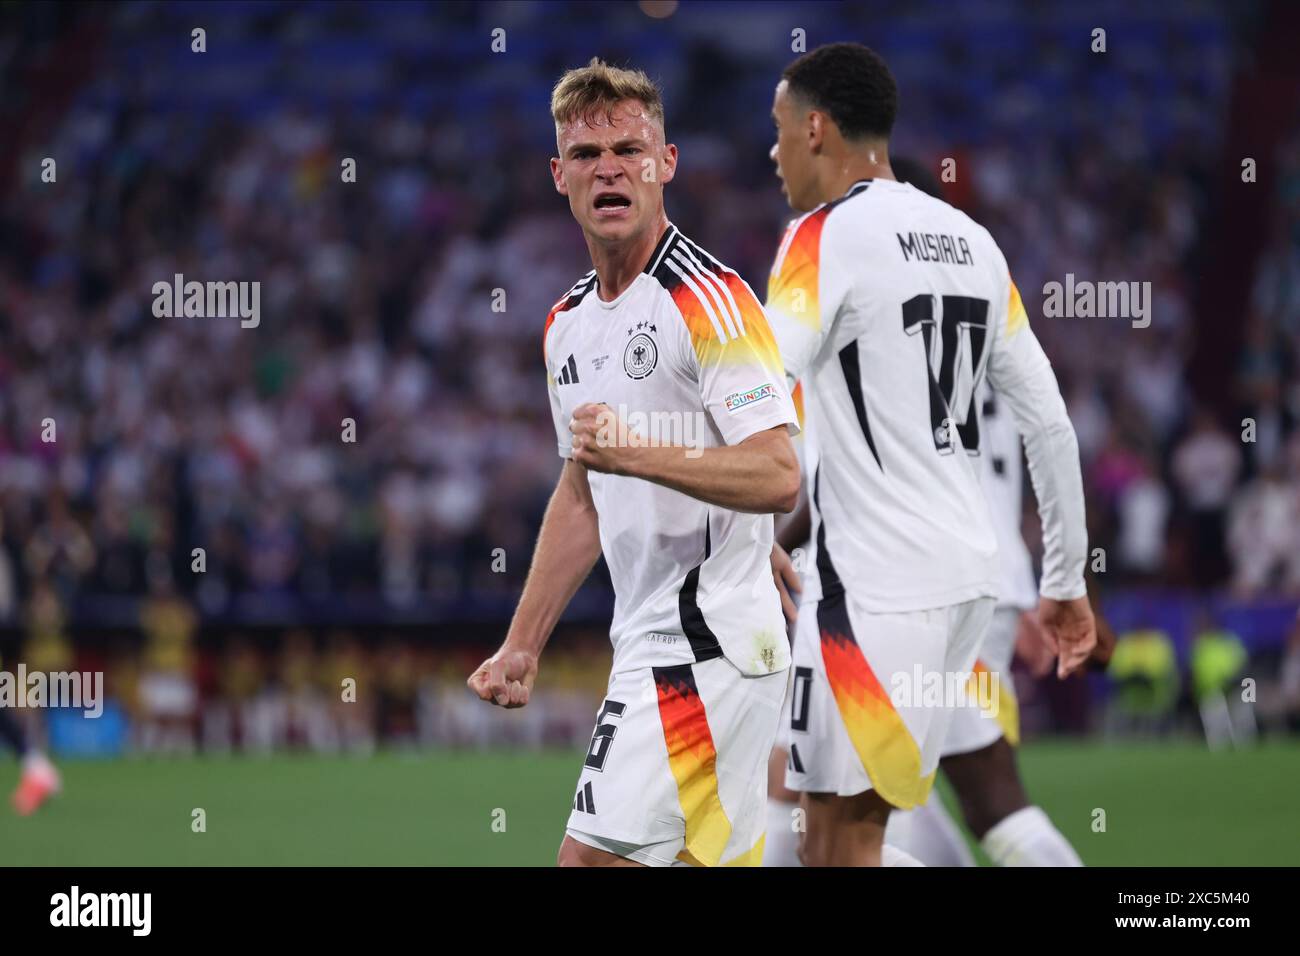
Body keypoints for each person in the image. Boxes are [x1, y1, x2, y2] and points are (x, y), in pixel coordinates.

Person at [763, 43, 1095, 866]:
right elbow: (1049, 421)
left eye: (777, 132)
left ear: (814, 128)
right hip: (967, 590)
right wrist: (1065, 584)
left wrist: (735, 536)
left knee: (829, 840)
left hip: (870, 591)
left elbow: (762, 395)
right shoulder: (972, 241)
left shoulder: (818, 238)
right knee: (862, 834)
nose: (771, 155)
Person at [467, 58, 800, 867]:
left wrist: (641, 455)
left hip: (701, 647)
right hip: (664, 640)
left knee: (589, 863)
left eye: (630, 149)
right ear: (559, 176)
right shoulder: (567, 323)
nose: (609, 168)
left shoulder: (708, 299)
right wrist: (523, 643)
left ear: (667, 164)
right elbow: (585, 492)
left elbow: (778, 473)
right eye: (586, 155)